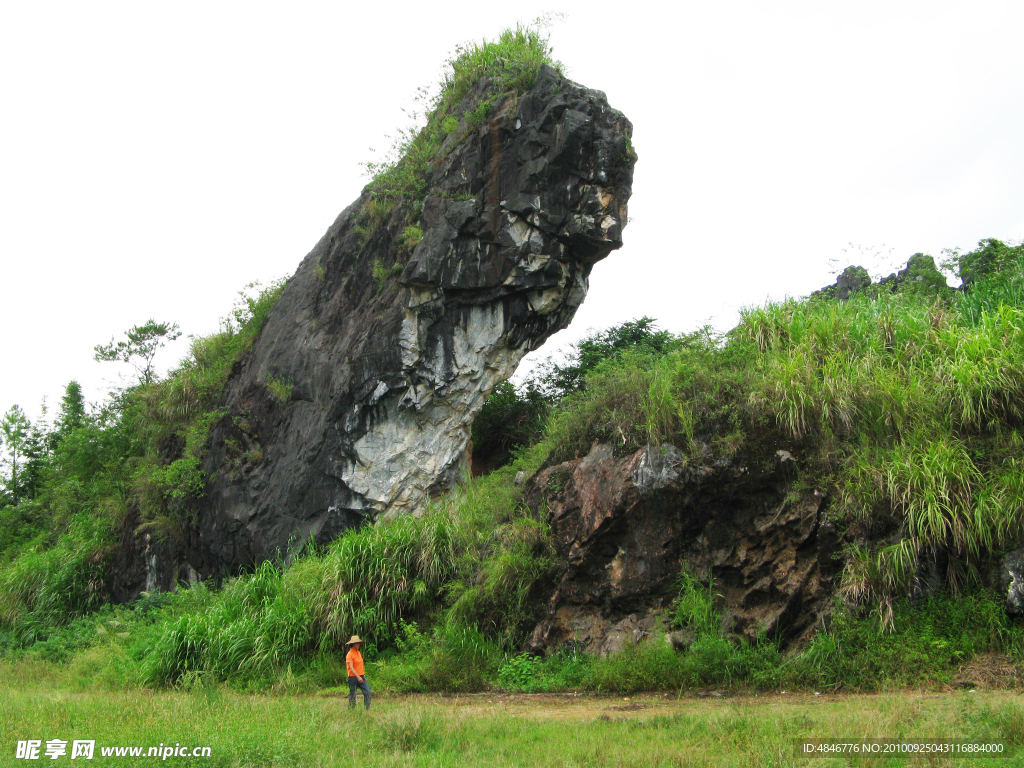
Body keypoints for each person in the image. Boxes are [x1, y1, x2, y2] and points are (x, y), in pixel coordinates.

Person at [345, 635, 370, 709]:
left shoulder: (358, 653)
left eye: (359, 643)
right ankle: (351, 709)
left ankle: (367, 708)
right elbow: (351, 667)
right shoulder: (349, 654)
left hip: (361, 676)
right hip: (353, 677)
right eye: (357, 643)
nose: (358, 645)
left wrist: (361, 676)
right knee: (353, 695)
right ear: (353, 644)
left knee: (367, 692)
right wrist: (358, 677)